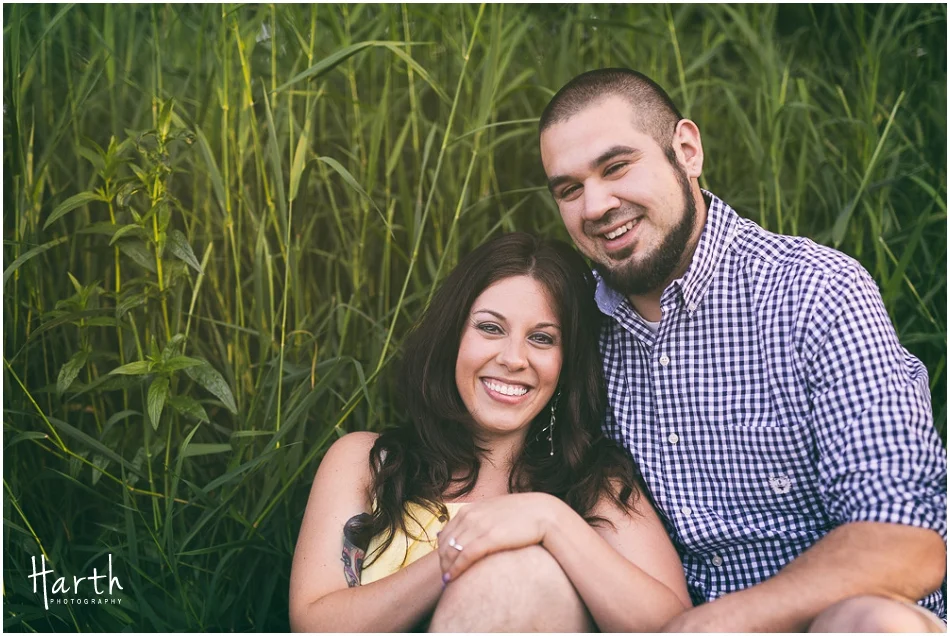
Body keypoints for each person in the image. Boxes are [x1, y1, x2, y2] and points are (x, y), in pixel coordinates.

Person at [428, 68, 948, 632]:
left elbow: (908, 544)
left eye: (616, 166)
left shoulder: (814, 294)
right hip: (647, 619)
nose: (596, 204)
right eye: (570, 190)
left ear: (686, 150)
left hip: (824, 622)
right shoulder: (572, 331)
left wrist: (713, 625)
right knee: (514, 580)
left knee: (875, 623)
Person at [288, 232, 692, 632]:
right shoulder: (369, 463)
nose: (514, 359)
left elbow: (674, 626)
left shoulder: (594, 484)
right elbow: (316, 623)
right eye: (490, 329)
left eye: (541, 338)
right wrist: (457, 555)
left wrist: (550, 520)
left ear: (567, 364)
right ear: (453, 337)